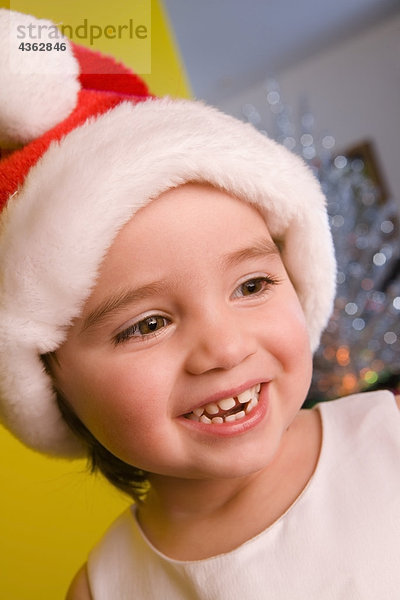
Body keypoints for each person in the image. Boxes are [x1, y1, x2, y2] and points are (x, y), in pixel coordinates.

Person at [1, 9, 399, 600]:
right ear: (48, 379)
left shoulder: (387, 440)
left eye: (252, 285)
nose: (226, 347)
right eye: (148, 324)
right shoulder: (104, 587)